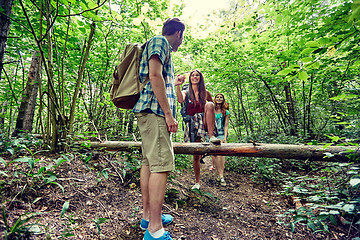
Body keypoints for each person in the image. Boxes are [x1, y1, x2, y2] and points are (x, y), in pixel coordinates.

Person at [133, 18, 186, 240]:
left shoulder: (156, 44)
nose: (181, 41)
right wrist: (168, 114)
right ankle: (154, 230)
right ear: (179, 34)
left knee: (150, 163)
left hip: (149, 111)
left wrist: (174, 84)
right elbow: (154, 76)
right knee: (161, 165)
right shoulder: (160, 42)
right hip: (155, 112)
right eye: (182, 37)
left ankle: (148, 216)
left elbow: (156, 77)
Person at [176, 69, 220, 190]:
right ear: (190, 78)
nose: (195, 77)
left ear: (200, 78)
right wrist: (178, 86)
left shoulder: (205, 92)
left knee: (209, 104)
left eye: (197, 75)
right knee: (196, 155)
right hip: (192, 125)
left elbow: (213, 107)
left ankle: (211, 137)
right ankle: (197, 182)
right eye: (193, 75)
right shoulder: (186, 91)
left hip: (204, 121)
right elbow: (180, 99)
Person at [211, 93, 230, 187]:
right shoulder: (211, 110)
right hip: (213, 135)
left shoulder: (225, 112)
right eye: (217, 97)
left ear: (223, 100)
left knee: (221, 154)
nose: (219, 99)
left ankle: (221, 176)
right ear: (215, 99)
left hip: (222, 134)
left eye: (221, 97)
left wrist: (225, 138)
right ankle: (219, 174)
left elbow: (226, 125)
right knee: (215, 154)